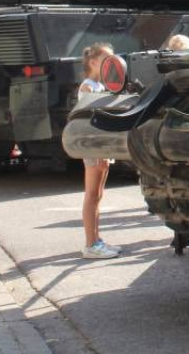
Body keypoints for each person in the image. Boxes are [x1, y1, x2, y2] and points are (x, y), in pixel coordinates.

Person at [75, 44, 120, 260]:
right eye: (106, 59)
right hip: (94, 144)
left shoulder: (100, 85)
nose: (111, 63)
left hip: (101, 144)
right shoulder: (88, 87)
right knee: (92, 195)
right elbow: (89, 118)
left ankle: (97, 239)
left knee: (98, 195)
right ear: (93, 62)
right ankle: (90, 244)